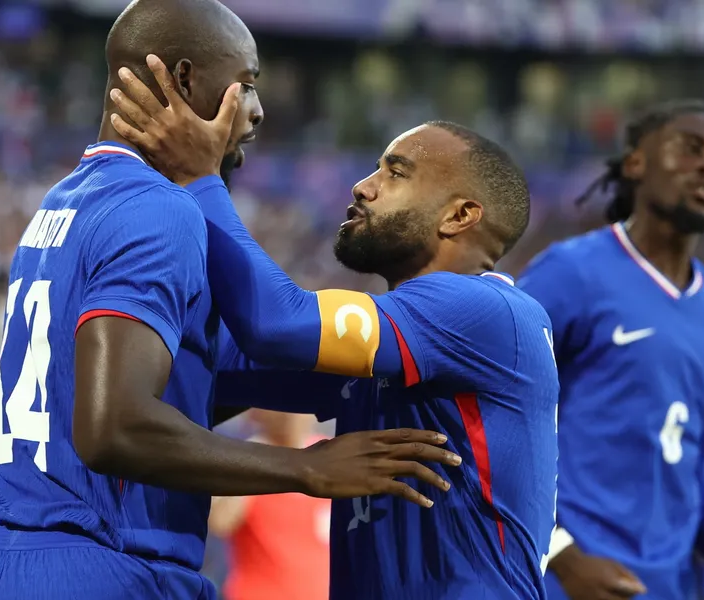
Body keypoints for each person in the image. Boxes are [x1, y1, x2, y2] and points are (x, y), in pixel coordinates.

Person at [0, 2, 461, 599]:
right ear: (184, 81)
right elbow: (114, 427)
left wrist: (355, 380)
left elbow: (173, 384)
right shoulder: (160, 209)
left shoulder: (63, 202)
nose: (258, 111)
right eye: (247, 84)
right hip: (101, 566)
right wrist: (308, 469)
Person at [109, 59, 560, 599]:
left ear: (460, 215)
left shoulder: (488, 314)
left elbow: (276, 323)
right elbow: (210, 370)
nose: (363, 186)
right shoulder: (396, 346)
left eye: (395, 173)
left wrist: (201, 176)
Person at [515, 99, 704, 600]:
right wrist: (561, 556)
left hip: (667, 586)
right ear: (636, 162)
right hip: (563, 581)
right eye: (692, 149)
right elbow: (493, 416)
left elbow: (684, 462)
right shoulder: (570, 273)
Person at [209, 410, 331, 600]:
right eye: (283, 408)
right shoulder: (248, 459)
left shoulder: (328, 459)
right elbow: (220, 522)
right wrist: (254, 459)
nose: (291, 415)